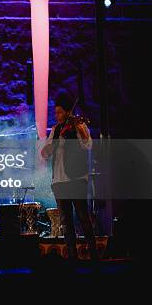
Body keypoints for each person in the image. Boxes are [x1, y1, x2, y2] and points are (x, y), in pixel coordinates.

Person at [41, 92, 98, 261]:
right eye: (56, 112)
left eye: (59, 112)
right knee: (66, 221)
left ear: (68, 112)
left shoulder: (77, 125)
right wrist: (53, 144)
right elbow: (45, 153)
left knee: (83, 217)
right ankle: (73, 256)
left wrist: (79, 127)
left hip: (76, 179)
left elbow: (88, 145)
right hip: (59, 182)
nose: (57, 116)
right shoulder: (56, 130)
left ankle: (93, 252)